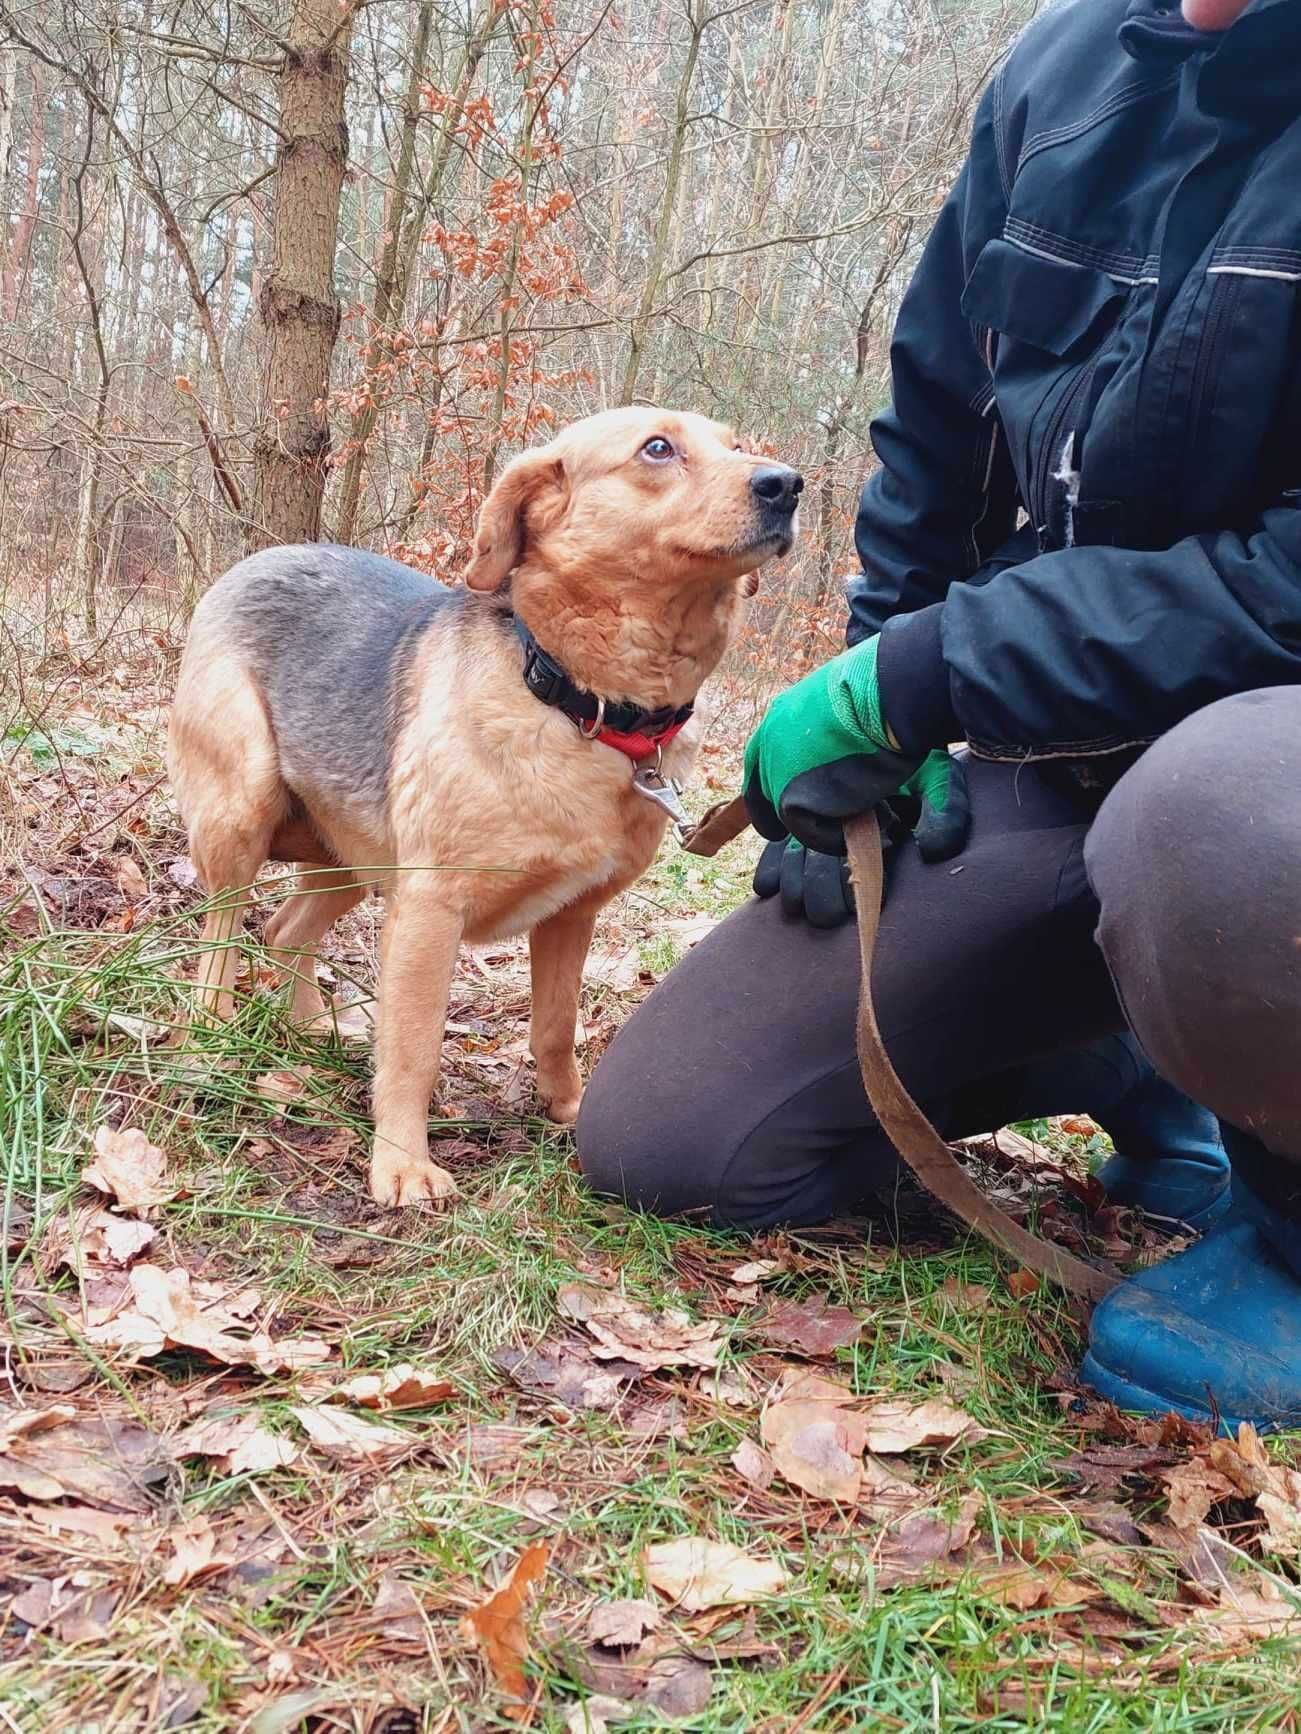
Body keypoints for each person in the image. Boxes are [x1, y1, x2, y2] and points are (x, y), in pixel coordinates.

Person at [576, 0, 1301, 1431]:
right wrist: (881, 701)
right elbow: (936, 422)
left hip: (1259, 783)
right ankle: (1150, 1044)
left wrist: (940, 667)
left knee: (1222, 826)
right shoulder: (1065, 69)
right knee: (681, 1139)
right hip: (1065, 749)